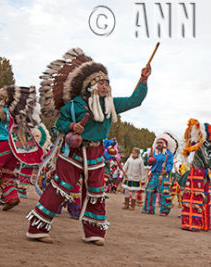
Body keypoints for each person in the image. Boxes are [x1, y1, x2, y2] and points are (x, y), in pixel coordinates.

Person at [26, 48, 150, 245]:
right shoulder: (75, 105)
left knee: (96, 192)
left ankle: (94, 233)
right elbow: (59, 124)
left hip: (96, 152)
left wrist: (143, 81)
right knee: (61, 188)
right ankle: (37, 228)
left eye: (107, 83)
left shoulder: (110, 104)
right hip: (73, 152)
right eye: (101, 83)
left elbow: (135, 101)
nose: (105, 86)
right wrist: (71, 126)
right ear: (91, 86)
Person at [142, 132, 176, 216]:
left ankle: (164, 210)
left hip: (163, 175)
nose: (159, 144)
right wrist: (149, 159)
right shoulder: (154, 153)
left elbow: (170, 164)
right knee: (149, 191)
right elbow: (149, 163)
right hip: (154, 174)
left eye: (161, 143)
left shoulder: (168, 154)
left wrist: (167, 170)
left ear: (164, 145)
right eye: (158, 143)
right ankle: (148, 209)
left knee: (163, 192)